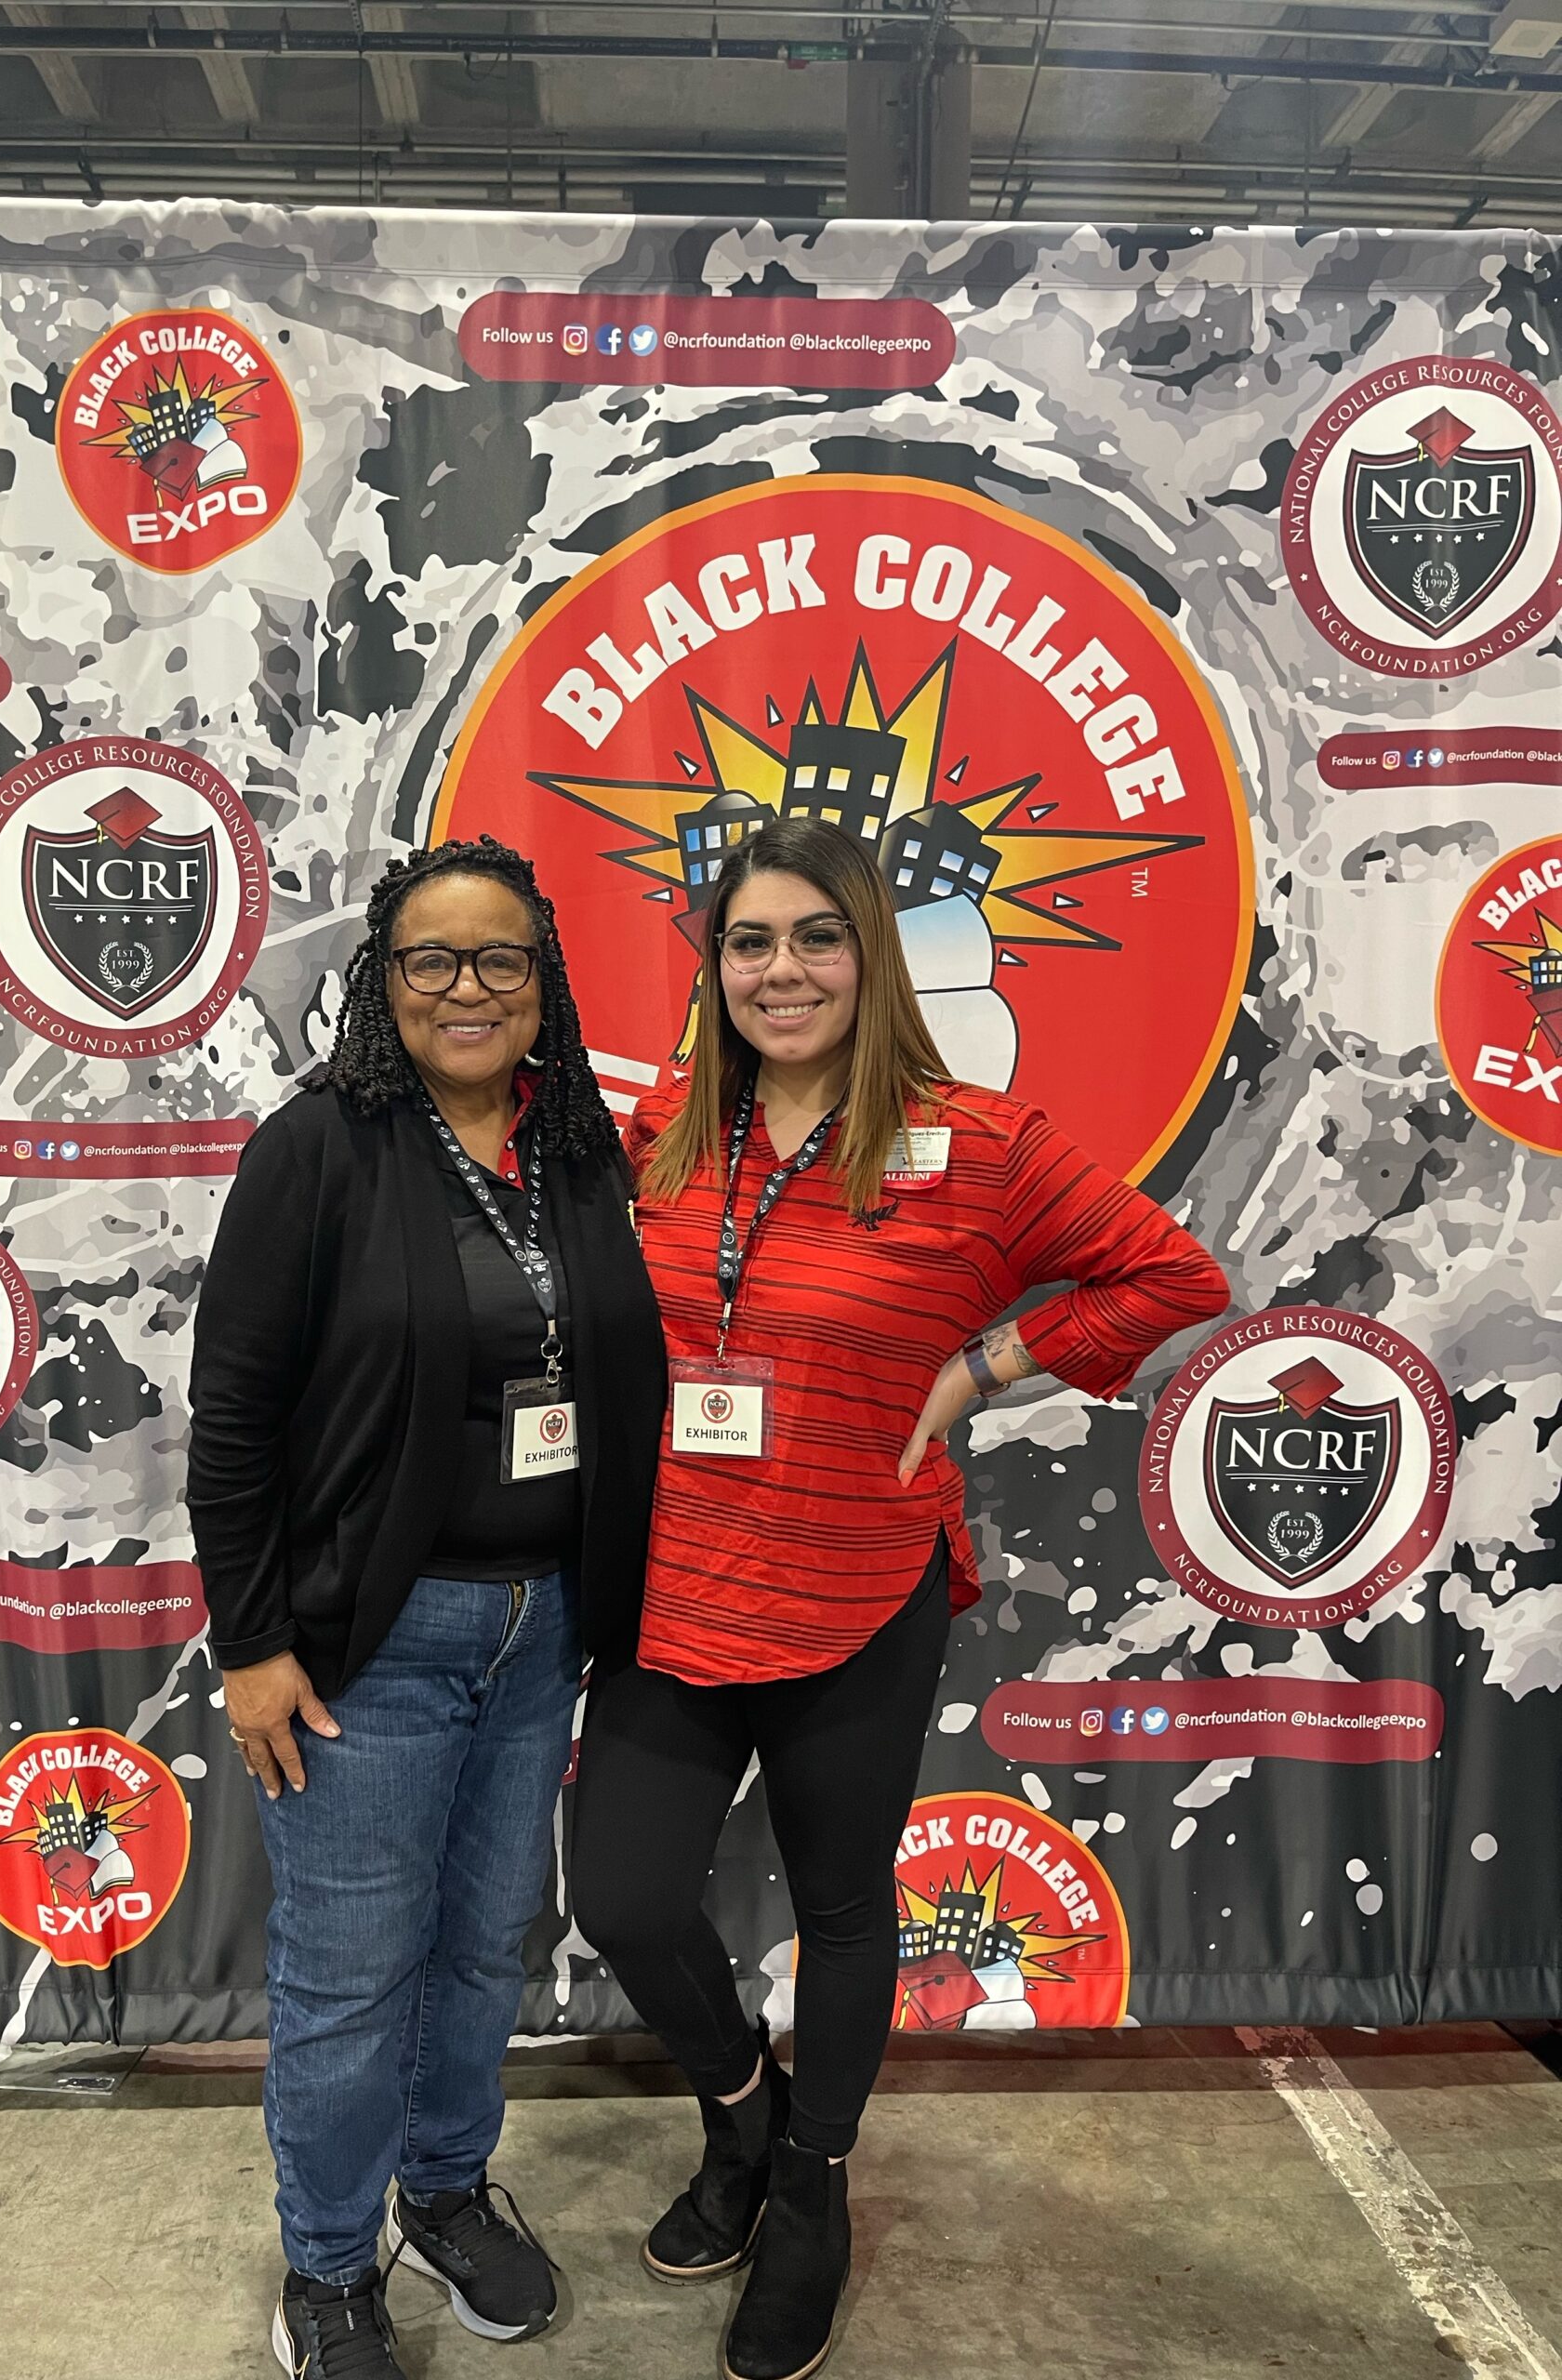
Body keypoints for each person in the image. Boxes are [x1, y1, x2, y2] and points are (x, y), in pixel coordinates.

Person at [570, 815, 1228, 2380]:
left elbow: (1174, 1278)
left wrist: (984, 1363)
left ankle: (812, 2188)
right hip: (677, 1585)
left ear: (873, 954)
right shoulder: (663, 1128)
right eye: (749, 942)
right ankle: (745, 2117)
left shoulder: (979, 1142)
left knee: (845, 1905)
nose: (781, 970)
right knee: (628, 1896)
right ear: (714, 968)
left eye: (817, 936)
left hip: (865, 1586)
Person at [188, 836, 665, 2380]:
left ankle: (446, 2191)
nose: (468, 987)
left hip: (541, 1634)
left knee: (479, 1953)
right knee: (348, 1979)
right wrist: (254, 1643)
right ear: (381, 982)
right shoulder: (317, 1148)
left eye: (500, 958)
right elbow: (233, 1421)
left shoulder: (575, 1147)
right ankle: (329, 2270)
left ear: (544, 981)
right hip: (365, 1652)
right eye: (431, 959)